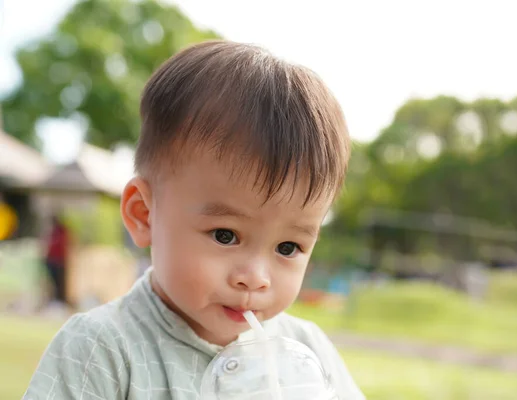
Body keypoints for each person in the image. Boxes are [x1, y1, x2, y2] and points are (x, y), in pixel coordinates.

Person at [24, 40, 365, 399]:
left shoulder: (308, 356)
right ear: (143, 215)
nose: (255, 278)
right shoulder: (102, 349)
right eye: (225, 235)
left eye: (287, 246)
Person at [43, 214, 69, 304]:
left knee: (58, 282)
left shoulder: (61, 232)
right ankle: (53, 299)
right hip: (52, 260)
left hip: (58, 261)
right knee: (52, 282)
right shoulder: (52, 232)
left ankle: (58, 300)